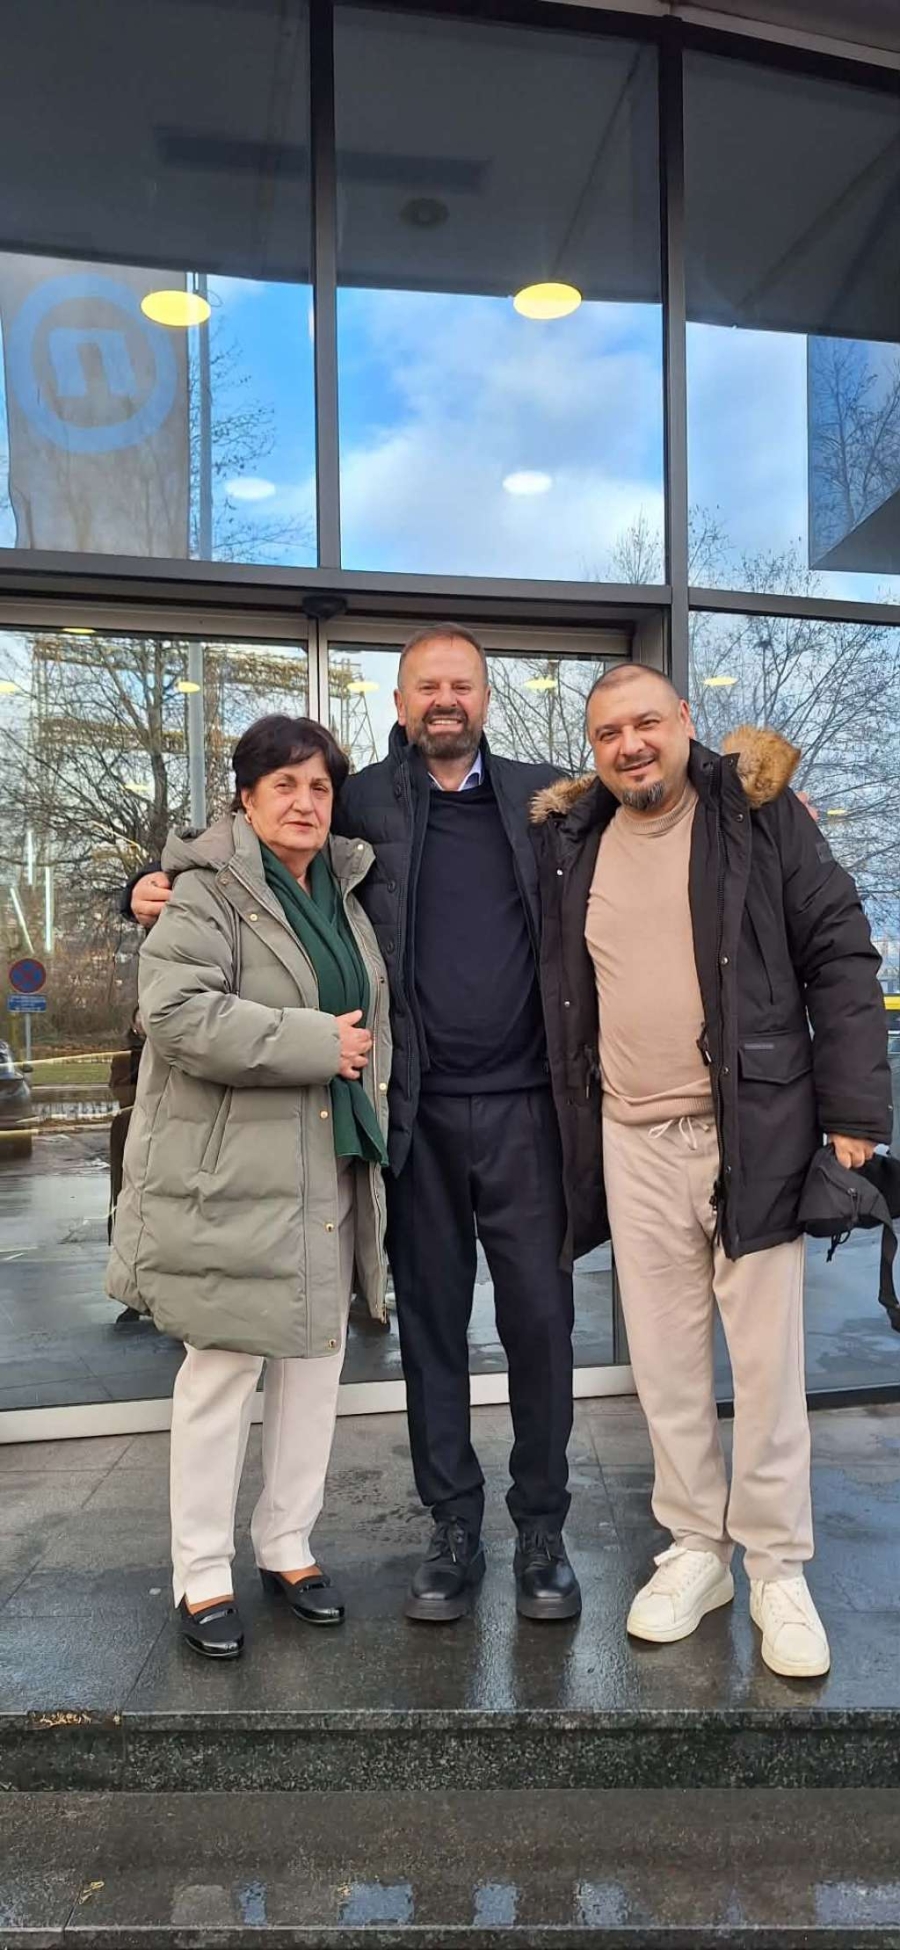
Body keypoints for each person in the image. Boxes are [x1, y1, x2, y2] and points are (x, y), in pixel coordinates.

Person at [125, 625, 581, 1626]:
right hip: (409, 1117)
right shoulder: (361, 798)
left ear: (486, 697)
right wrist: (145, 885)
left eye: (462, 684)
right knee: (430, 1331)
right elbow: (232, 851)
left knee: (542, 1327)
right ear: (401, 702)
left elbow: (659, 799)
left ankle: (543, 1531)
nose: (446, 699)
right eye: (427, 686)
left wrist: (757, 806)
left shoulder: (551, 800)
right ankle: (452, 1528)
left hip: (528, 1115)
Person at [532, 665, 891, 1679]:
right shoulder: (573, 841)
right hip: (629, 1138)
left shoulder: (759, 817)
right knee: (665, 1366)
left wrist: (855, 1111)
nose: (631, 744)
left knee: (768, 1370)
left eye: (647, 721)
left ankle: (777, 1566)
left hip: (754, 1130)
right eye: (609, 732)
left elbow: (840, 953)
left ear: (686, 721)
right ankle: (698, 1548)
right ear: (593, 750)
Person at [108, 714, 390, 1661]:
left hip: (329, 1165)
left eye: (320, 787)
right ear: (246, 797)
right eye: (285, 786)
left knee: (314, 1366)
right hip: (234, 1177)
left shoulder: (341, 889)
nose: (305, 803)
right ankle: (200, 1574)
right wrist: (316, 1043)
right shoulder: (206, 890)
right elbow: (177, 1013)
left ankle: (287, 1546)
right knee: (222, 1373)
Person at [108, 1006, 147, 1326]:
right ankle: (132, 1297)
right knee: (129, 1210)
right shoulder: (126, 1055)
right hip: (131, 1130)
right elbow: (121, 1090)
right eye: (140, 1015)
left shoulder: (173, 1049)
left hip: (167, 1134)